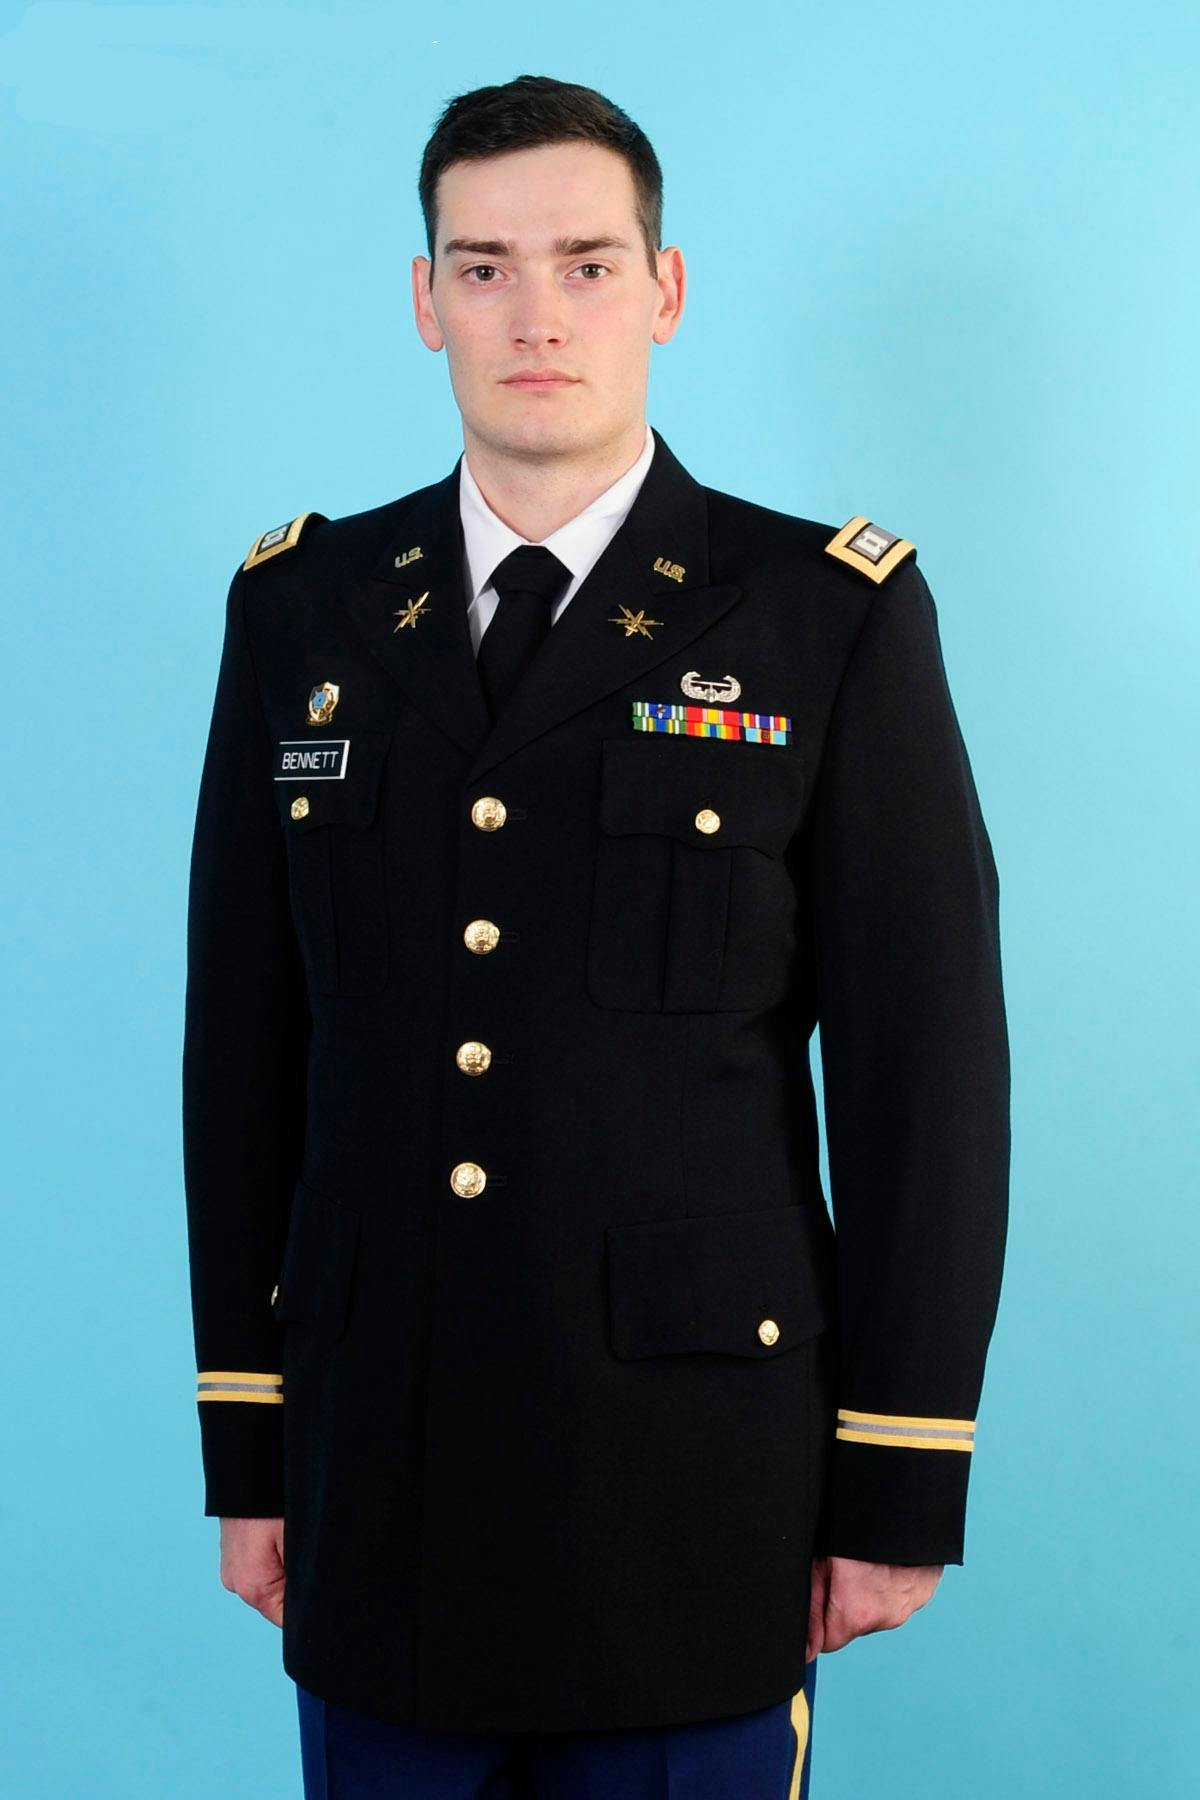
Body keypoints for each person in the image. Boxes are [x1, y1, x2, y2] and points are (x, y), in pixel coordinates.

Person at [183, 73, 1010, 1799]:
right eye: (482, 268)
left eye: (582, 260)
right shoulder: (302, 612)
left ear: (665, 288)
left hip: (697, 1492)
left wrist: (899, 1476)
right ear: (424, 303)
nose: (534, 313)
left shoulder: (817, 617)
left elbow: (929, 1086)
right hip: (380, 1474)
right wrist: (247, 1451)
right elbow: (242, 1060)